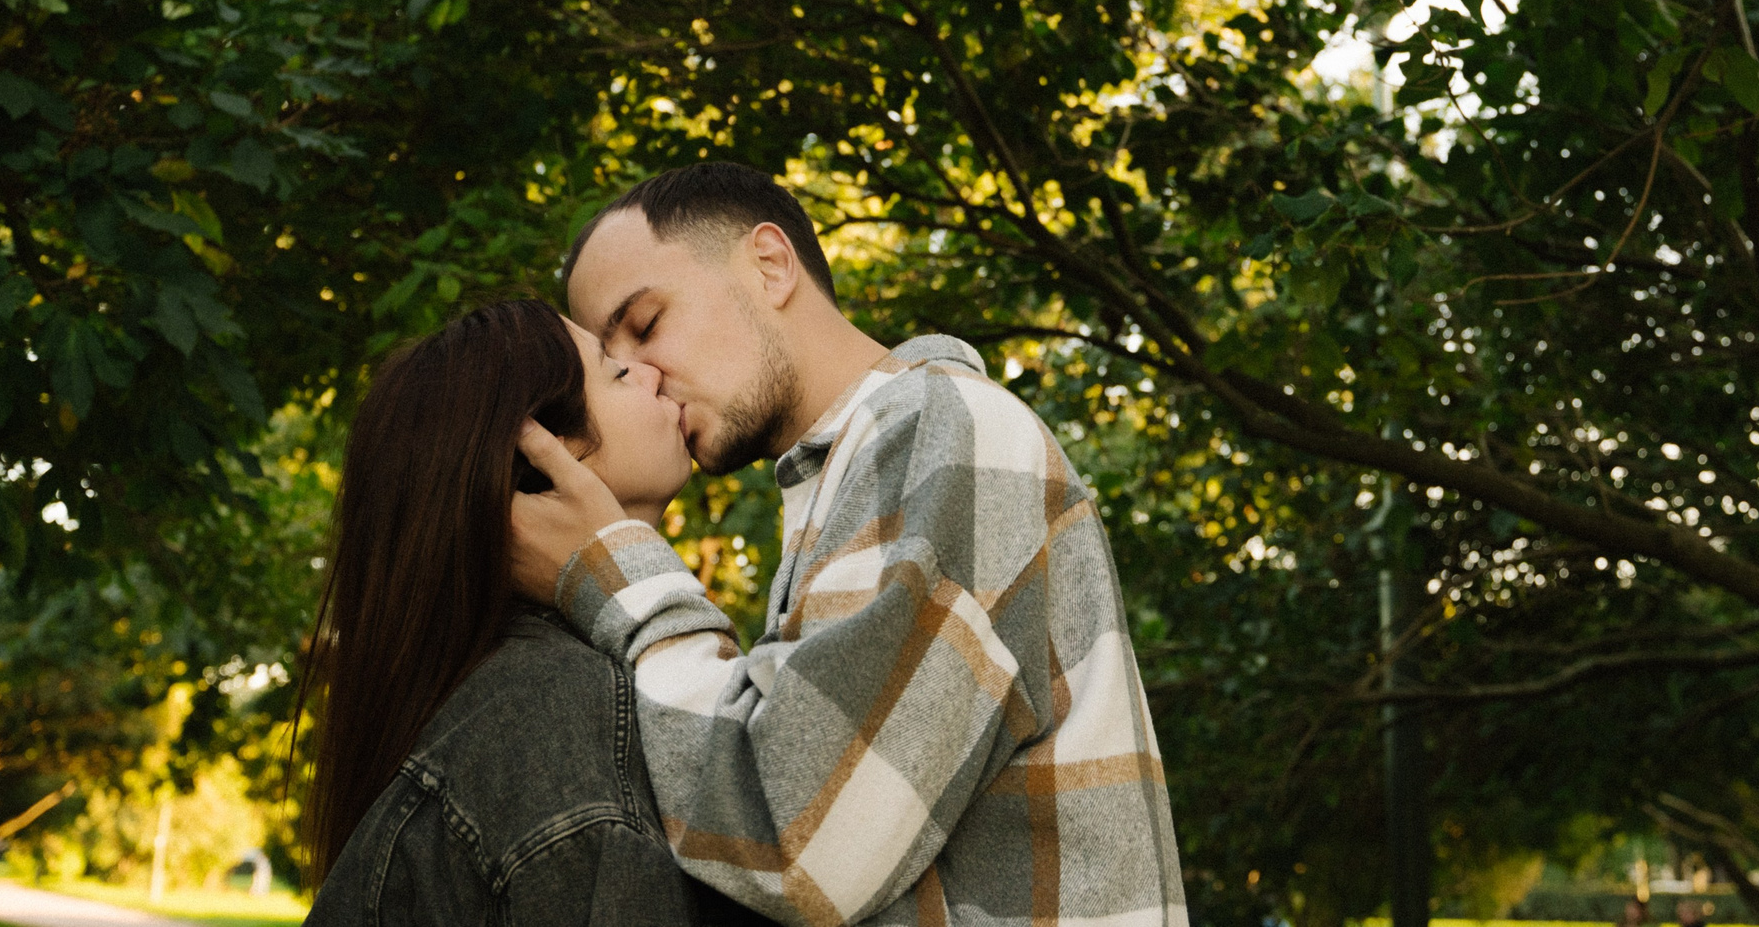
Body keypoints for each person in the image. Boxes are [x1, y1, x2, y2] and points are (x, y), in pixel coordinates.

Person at [509, 163, 1188, 927]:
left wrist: (614, 573)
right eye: (616, 360)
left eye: (646, 324)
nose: (646, 377)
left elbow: (799, 839)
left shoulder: (939, 428)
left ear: (770, 263)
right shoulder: (858, 474)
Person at [300, 298, 755, 927]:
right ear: (545, 455)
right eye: (617, 373)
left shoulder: (514, 695)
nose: (651, 371)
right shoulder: (566, 714)